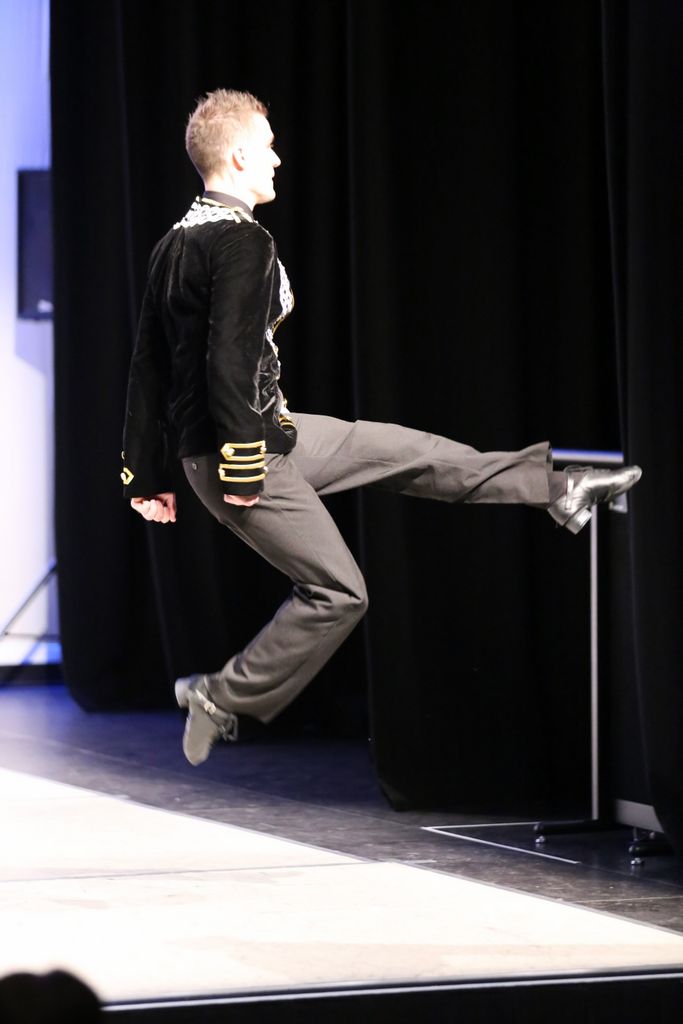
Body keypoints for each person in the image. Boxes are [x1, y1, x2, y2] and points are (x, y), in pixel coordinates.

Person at [121, 89, 641, 767]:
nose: (277, 159)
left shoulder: (175, 241)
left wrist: (146, 472)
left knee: (407, 450)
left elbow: (148, 365)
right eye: (269, 147)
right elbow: (226, 362)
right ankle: (219, 695)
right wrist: (242, 466)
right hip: (242, 453)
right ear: (240, 156)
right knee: (340, 592)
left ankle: (557, 488)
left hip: (265, 434)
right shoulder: (241, 240)